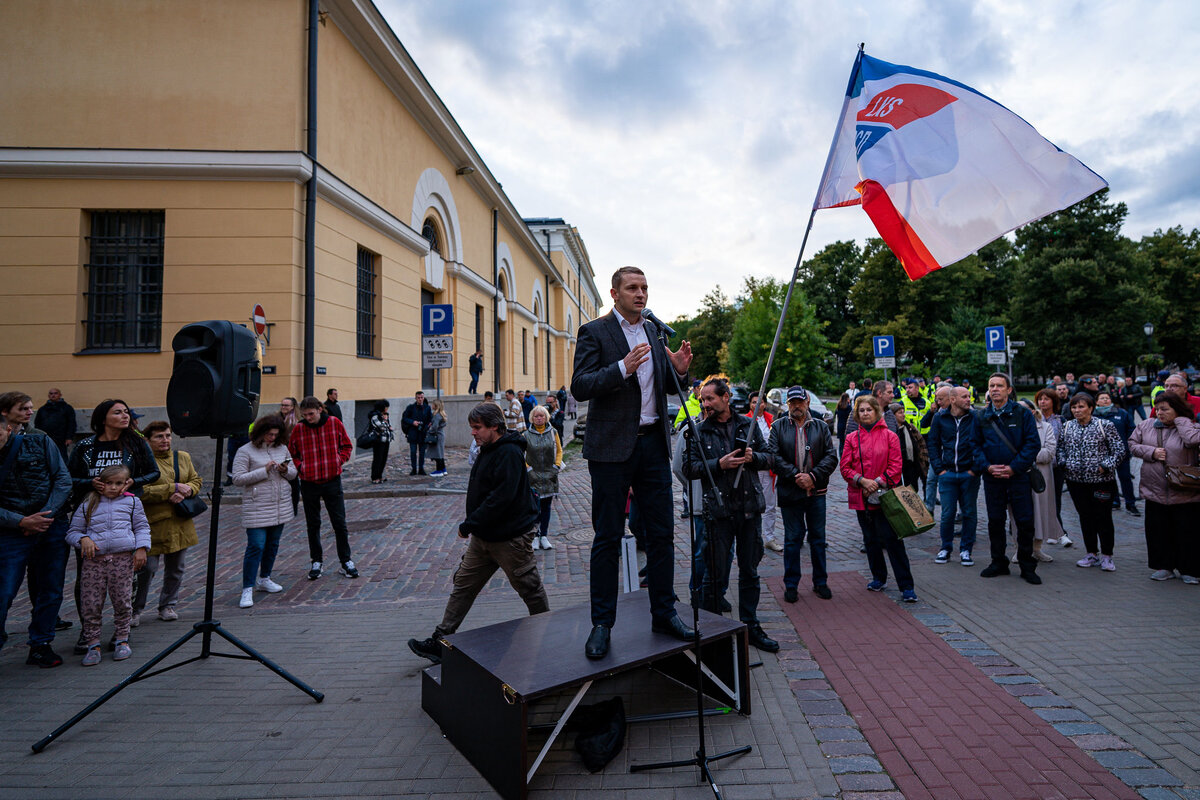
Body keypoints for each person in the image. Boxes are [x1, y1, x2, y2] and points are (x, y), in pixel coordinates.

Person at [570, 265, 695, 660]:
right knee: (608, 537)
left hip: (653, 447)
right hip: (610, 450)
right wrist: (622, 368)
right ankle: (602, 624)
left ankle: (664, 612)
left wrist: (680, 371)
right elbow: (580, 385)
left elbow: (666, 388)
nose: (640, 294)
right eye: (632, 288)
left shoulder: (655, 333)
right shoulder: (595, 332)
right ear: (614, 293)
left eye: (644, 287)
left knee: (660, 534)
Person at [408, 403, 549, 663]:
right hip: (483, 539)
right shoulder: (488, 448)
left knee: (529, 588)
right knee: (463, 585)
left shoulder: (508, 453)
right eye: (472, 427)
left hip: (510, 539)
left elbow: (500, 498)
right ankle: (441, 640)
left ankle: (548, 633)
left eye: (477, 428)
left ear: (494, 426)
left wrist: (469, 524)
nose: (473, 433)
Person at [684, 379, 778, 652]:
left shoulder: (747, 426)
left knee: (749, 571)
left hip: (749, 510)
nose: (705, 404)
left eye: (710, 399)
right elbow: (689, 468)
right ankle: (714, 633)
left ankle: (751, 626)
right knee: (714, 576)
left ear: (725, 397)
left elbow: (770, 457)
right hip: (718, 512)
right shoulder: (699, 431)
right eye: (702, 400)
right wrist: (718, 464)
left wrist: (753, 458)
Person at [67, 399, 159, 653]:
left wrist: (133, 481)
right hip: (91, 514)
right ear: (102, 417)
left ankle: (122, 633)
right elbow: (68, 476)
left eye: (126, 411)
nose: (124, 416)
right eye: (117, 412)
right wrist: (89, 483)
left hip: (124, 516)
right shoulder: (85, 445)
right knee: (86, 579)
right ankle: (88, 633)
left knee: (126, 578)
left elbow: (154, 472)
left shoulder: (136, 442)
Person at [0, 420, 72, 668]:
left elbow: (62, 479)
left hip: (49, 525)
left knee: (49, 588)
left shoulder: (40, 442)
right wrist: (21, 521)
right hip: (10, 531)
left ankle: (41, 644)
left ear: (8, 429)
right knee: (5, 590)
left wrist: (44, 515)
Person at [65, 465, 150, 666]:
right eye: (109, 483)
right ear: (101, 483)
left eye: (118, 483)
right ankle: (92, 643)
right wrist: (83, 539)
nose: (113, 487)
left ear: (126, 483)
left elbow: (142, 527)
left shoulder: (132, 502)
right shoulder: (88, 504)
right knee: (91, 603)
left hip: (122, 560)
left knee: (122, 600)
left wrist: (141, 548)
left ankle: (122, 638)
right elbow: (72, 531)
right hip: (94, 562)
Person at [840, 395, 918, 602]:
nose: (865, 413)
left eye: (869, 410)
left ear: (876, 411)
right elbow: (845, 467)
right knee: (871, 540)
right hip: (861, 496)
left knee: (893, 541)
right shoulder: (851, 438)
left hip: (885, 497)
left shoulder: (890, 436)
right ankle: (878, 577)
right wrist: (862, 481)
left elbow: (895, 466)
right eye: (862, 410)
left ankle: (906, 586)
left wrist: (876, 482)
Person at [766, 385, 836, 602]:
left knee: (818, 539)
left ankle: (820, 582)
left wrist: (812, 477)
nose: (796, 406)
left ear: (807, 402)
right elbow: (772, 457)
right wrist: (797, 475)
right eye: (792, 402)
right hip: (790, 491)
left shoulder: (821, 426)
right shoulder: (777, 427)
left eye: (800, 402)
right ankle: (791, 585)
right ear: (787, 404)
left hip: (817, 491)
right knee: (792, 539)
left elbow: (831, 457)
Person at [132, 421, 201, 626]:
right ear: (147, 439)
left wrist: (187, 489)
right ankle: (135, 610)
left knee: (176, 568)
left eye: (168, 435)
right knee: (147, 569)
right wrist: (171, 489)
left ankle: (168, 605)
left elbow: (196, 481)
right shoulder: (141, 461)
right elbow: (139, 491)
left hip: (180, 523)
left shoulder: (182, 457)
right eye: (159, 436)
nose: (165, 440)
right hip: (152, 524)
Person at [977, 373, 1042, 584]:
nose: (995, 389)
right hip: (992, 478)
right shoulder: (982, 416)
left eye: (999, 386)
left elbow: (1032, 444)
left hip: (1018, 477)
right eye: (991, 385)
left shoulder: (1022, 414)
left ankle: (1026, 564)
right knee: (995, 521)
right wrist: (987, 467)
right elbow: (974, 446)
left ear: (1008, 389)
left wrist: (1014, 468)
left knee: (1024, 522)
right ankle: (998, 562)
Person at [1128, 392, 1200, 583]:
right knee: (1158, 531)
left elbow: (1193, 441)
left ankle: (1189, 569)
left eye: (1165, 409)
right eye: (1157, 409)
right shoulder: (1145, 425)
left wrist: (1182, 421)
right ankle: (1163, 566)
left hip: (1184, 489)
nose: (1159, 413)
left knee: (1187, 532)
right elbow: (1132, 444)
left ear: (1177, 409)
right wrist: (1151, 452)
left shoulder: (1191, 427)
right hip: (1155, 489)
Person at [288, 396, 356, 581]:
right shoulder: (299, 429)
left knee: (339, 523)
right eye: (305, 415)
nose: (308, 418)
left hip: (332, 480)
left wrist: (338, 461)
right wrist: (301, 467)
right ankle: (316, 561)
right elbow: (292, 452)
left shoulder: (334, 423)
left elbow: (347, 446)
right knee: (313, 524)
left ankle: (346, 561)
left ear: (320, 409)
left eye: (311, 414)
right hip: (309, 482)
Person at [232, 414, 296, 608]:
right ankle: (247, 588)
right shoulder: (245, 451)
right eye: (269, 434)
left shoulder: (282, 448)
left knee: (272, 544)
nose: (272, 438)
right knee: (256, 546)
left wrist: (285, 470)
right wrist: (264, 470)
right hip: (257, 506)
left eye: (276, 435)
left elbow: (294, 473)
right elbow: (238, 478)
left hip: (280, 504)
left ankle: (265, 578)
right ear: (260, 433)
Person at [1057, 392, 1125, 573]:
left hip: (1101, 481)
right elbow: (1060, 449)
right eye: (1074, 407)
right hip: (1075, 481)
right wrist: (1064, 463)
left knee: (1103, 517)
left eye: (1081, 407)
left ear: (1091, 408)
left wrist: (1105, 465)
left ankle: (1107, 556)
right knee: (1085, 517)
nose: (1077, 410)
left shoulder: (1105, 425)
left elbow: (1119, 450)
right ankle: (1091, 553)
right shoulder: (1067, 427)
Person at [928, 386, 982, 566]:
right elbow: (933, 444)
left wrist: (975, 469)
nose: (969, 399)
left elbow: (983, 443)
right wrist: (939, 469)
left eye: (969, 396)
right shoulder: (940, 417)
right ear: (953, 400)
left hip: (969, 474)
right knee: (947, 513)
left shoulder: (975, 417)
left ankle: (966, 550)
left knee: (969, 513)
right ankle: (946, 548)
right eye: (964, 397)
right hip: (948, 473)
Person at [1007, 400, 1059, 563]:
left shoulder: (1045, 427)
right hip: (1016, 475)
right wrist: (1029, 454)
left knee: (1040, 512)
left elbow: (1049, 453)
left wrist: (1024, 455)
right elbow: (1005, 452)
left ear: (1032, 411)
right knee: (1017, 514)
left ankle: (1037, 548)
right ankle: (1019, 548)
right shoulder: (1009, 428)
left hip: (1039, 476)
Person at [1035, 389, 1073, 549]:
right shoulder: (1033, 419)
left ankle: (1057, 531)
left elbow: (1064, 442)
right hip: (1039, 465)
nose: (1043, 402)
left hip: (1056, 466)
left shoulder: (1060, 420)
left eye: (1046, 399)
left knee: (1054, 499)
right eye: (1040, 399)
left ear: (1053, 402)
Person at [747, 391, 782, 553]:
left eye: (759, 402)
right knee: (752, 503)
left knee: (769, 504)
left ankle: (769, 537)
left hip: (768, 468)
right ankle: (753, 537)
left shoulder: (772, 419)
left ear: (765, 404)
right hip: (753, 467)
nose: (757, 405)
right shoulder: (745, 420)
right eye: (754, 402)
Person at [1094, 389, 1139, 516]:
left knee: (1125, 478)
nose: (1105, 400)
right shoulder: (1094, 415)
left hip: (1121, 453)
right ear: (1097, 401)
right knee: (1109, 479)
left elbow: (1131, 429)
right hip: (1103, 454)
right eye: (1102, 398)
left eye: (1107, 398)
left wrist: (1130, 445)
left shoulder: (1121, 413)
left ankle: (1130, 503)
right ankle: (1114, 501)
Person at [525, 405, 563, 551]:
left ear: (546, 417)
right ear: (532, 418)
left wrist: (557, 466)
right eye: (536, 416)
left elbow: (559, 450)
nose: (539, 418)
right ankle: (535, 536)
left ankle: (544, 536)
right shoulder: (526, 435)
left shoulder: (553, 432)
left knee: (546, 507)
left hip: (549, 475)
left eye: (541, 416)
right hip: (533, 477)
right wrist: (529, 470)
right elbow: (522, 455)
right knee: (535, 507)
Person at [890, 403, 929, 492]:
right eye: (900, 413)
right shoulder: (890, 431)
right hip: (897, 467)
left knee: (912, 491)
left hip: (911, 466)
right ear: (893, 415)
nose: (903, 415)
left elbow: (921, 444)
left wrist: (923, 462)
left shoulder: (910, 428)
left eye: (903, 412)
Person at [35, 388, 77, 458]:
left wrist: (69, 437)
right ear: (48, 395)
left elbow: (71, 423)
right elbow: (37, 424)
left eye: (55, 393)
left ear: (60, 395)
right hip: (46, 438)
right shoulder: (42, 409)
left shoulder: (67, 408)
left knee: (62, 457)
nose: (53, 395)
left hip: (61, 439)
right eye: (51, 393)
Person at [401, 391, 432, 476]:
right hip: (413, 433)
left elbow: (430, 419)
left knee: (422, 452)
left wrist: (427, 426)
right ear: (416, 398)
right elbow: (404, 418)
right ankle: (414, 469)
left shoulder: (427, 408)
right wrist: (413, 422)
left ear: (423, 398)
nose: (420, 399)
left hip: (423, 433)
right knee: (413, 452)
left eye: (422, 397)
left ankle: (421, 468)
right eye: (418, 398)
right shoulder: (410, 407)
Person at [280, 397, 301, 516]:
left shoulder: (295, 422)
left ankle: (293, 507)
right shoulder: (277, 418)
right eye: (282, 405)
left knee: (293, 481)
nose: (283, 407)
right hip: (278, 453)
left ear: (293, 407)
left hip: (292, 454)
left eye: (286, 405)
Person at [365, 400, 395, 484]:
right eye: (386, 407)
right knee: (378, 458)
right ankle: (375, 477)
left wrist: (387, 424)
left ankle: (380, 476)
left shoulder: (384, 415)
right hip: (378, 440)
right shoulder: (375, 415)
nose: (387, 409)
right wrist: (386, 422)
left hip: (386, 440)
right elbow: (380, 425)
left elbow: (388, 425)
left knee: (383, 459)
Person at [426, 400, 448, 476]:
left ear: (436, 406)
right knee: (440, 453)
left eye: (433, 404)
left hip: (437, 435)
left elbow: (435, 427)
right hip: (441, 434)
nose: (431, 405)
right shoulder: (441, 415)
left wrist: (429, 431)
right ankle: (443, 469)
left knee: (437, 453)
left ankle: (439, 471)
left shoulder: (437, 415)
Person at [834, 393, 852, 457]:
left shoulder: (838, 406)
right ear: (847, 399)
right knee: (847, 444)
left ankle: (841, 456)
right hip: (846, 426)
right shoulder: (848, 407)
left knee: (841, 443)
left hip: (840, 426)